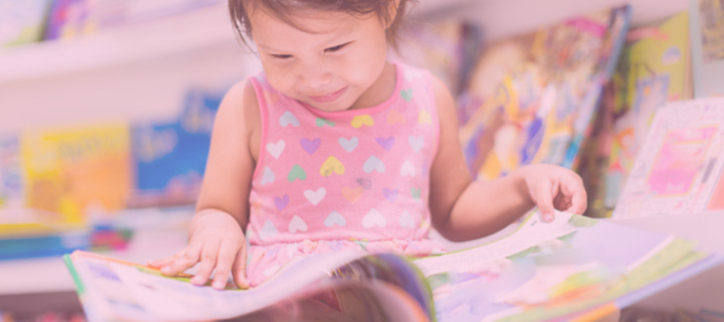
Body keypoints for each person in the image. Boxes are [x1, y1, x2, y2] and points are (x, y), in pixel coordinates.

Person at [148, 0, 587, 291]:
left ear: (389, 8)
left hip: (400, 296)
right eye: (281, 57)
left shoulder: (426, 99)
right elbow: (215, 210)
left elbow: (454, 212)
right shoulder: (248, 107)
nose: (314, 76)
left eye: (335, 47)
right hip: (288, 303)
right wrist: (217, 229)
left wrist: (522, 185)